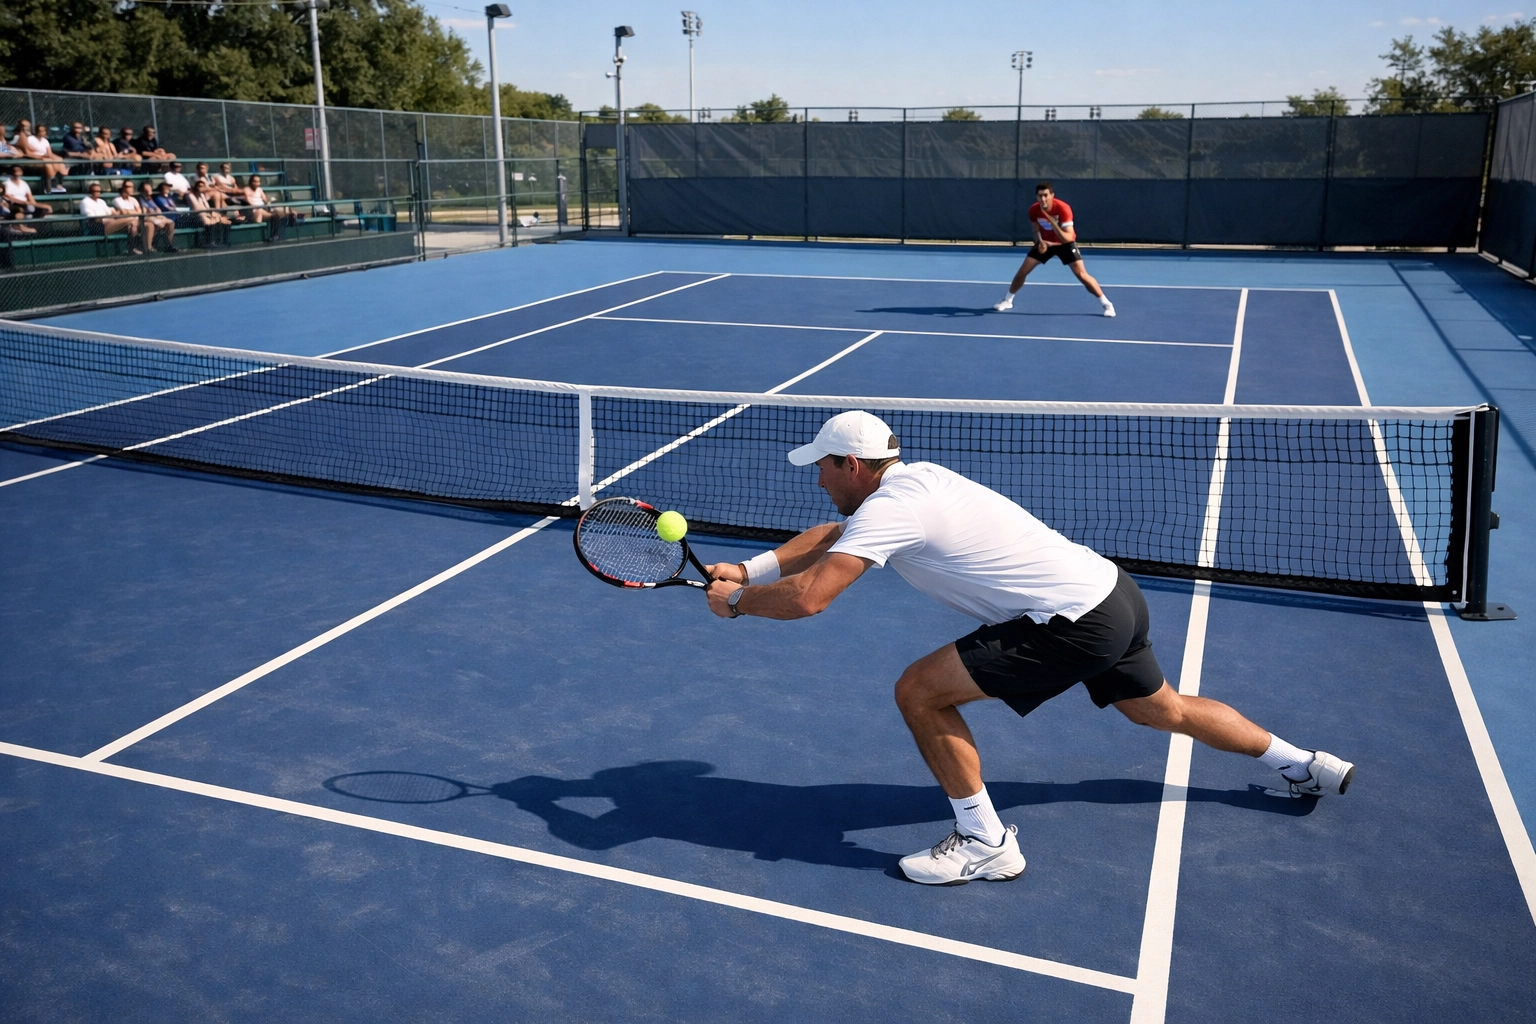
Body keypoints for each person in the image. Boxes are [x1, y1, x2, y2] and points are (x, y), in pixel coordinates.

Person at [702, 410, 1356, 886]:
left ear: (850, 464)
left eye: (822, 466)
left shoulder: (890, 510)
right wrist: (753, 570)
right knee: (1164, 709)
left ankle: (985, 842)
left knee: (919, 692)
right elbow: (828, 535)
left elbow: (812, 595)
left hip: (1070, 620)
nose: (817, 479)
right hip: (1112, 594)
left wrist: (735, 603)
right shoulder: (914, 479)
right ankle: (1304, 764)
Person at [993, 182, 1115, 318]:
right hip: (1046, 244)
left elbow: (1068, 237)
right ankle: (1007, 300)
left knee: (1082, 275)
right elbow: (1035, 230)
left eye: (1046, 195)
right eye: (1040, 196)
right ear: (1036, 197)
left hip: (1065, 244)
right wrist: (1039, 242)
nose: (1043, 199)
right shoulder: (1033, 210)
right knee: (1022, 272)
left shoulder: (1063, 208)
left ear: (1052, 195)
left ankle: (1107, 304)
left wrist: (1055, 226)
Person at [186, 179, 234, 245]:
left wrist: (213, 214)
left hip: (204, 214)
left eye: (203, 186)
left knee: (221, 218)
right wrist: (210, 214)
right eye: (199, 186)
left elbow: (207, 207)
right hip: (195, 216)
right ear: (195, 187)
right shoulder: (190, 195)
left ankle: (223, 241)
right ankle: (210, 242)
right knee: (208, 220)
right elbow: (197, 209)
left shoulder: (202, 195)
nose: (201, 188)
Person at [24, 124, 70, 192]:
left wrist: (59, 159)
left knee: (58, 160)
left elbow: (50, 153)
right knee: (48, 162)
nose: (42, 133)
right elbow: (28, 153)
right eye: (40, 131)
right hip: (35, 159)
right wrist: (42, 157)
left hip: (45, 158)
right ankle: (52, 185)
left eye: (43, 131)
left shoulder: (45, 141)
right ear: (36, 131)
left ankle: (58, 183)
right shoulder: (30, 139)